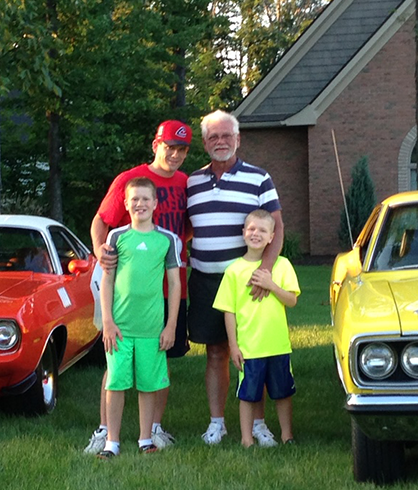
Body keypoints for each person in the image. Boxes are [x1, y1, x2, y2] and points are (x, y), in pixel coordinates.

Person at [85, 120, 192, 454]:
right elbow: (101, 221)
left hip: (164, 289)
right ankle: (105, 432)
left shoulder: (186, 183)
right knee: (114, 361)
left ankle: (152, 431)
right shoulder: (129, 181)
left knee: (158, 362)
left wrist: (169, 252)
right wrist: (101, 253)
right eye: (169, 146)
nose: (174, 154)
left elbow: (186, 228)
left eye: (182, 149)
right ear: (155, 145)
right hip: (119, 293)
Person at [187, 110, 285, 446]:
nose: (221, 142)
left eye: (226, 135)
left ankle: (258, 424)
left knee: (252, 354)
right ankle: (218, 422)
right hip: (205, 280)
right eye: (213, 137)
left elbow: (277, 226)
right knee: (216, 352)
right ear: (204, 143)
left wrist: (264, 272)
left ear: (238, 139)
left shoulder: (259, 178)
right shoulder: (192, 182)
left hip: (247, 283)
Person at [96, 176, 182, 459]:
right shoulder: (117, 237)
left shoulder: (167, 240)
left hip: (151, 328)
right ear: (125, 204)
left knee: (148, 384)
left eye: (146, 199)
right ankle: (112, 441)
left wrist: (170, 326)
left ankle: (146, 438)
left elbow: (175, 284)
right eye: (135, 199)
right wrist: (107, 321)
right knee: (116, 382)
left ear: (155, 203)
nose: (140, 204)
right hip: (120, 328)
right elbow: (107, 281)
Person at [213, 210, 299, 447]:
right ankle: (246, 439)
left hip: (278, 344)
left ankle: (287, 435)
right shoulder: (234, 270)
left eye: (262, 230)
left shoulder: (281, 265)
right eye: (251, 229)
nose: (256, 234)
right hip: (250, 347)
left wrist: (270, 285)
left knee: (283, 392)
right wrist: (234, 345)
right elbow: (228, 310)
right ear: (243, 233)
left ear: (272, 236)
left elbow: (291, 300)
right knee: (248, 393)